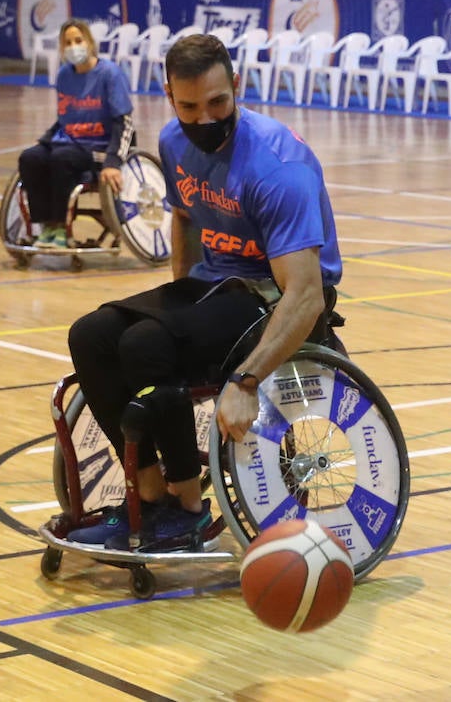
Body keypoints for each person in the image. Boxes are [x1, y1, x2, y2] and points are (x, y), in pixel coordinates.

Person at [63, 34, 344, 549]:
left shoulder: (277, 168)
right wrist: (178, 302)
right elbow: (187, 218)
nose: (205, 118)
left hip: (273, 296)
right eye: (190, 107)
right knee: (91, 335)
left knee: (147, 345)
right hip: (214, 285)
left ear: (237, 86)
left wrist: (245, 382)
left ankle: (188, 509)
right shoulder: (173, 142)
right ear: (171, 98)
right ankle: (146, 502)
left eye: (218, 102)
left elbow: (305, 295)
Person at [17, 19, 133, 250]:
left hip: (97, 148)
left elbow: (125, 122)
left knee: (62, 158)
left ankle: (61, 227)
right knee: (30, 158)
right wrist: (45, 141)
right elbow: (64, 118)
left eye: (78, 40)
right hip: (67, 142)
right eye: (67, 42)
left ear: (90, 42)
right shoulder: (63, 76)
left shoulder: (110, 74)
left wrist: (113, 161)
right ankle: (46, 226)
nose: (73, 46)